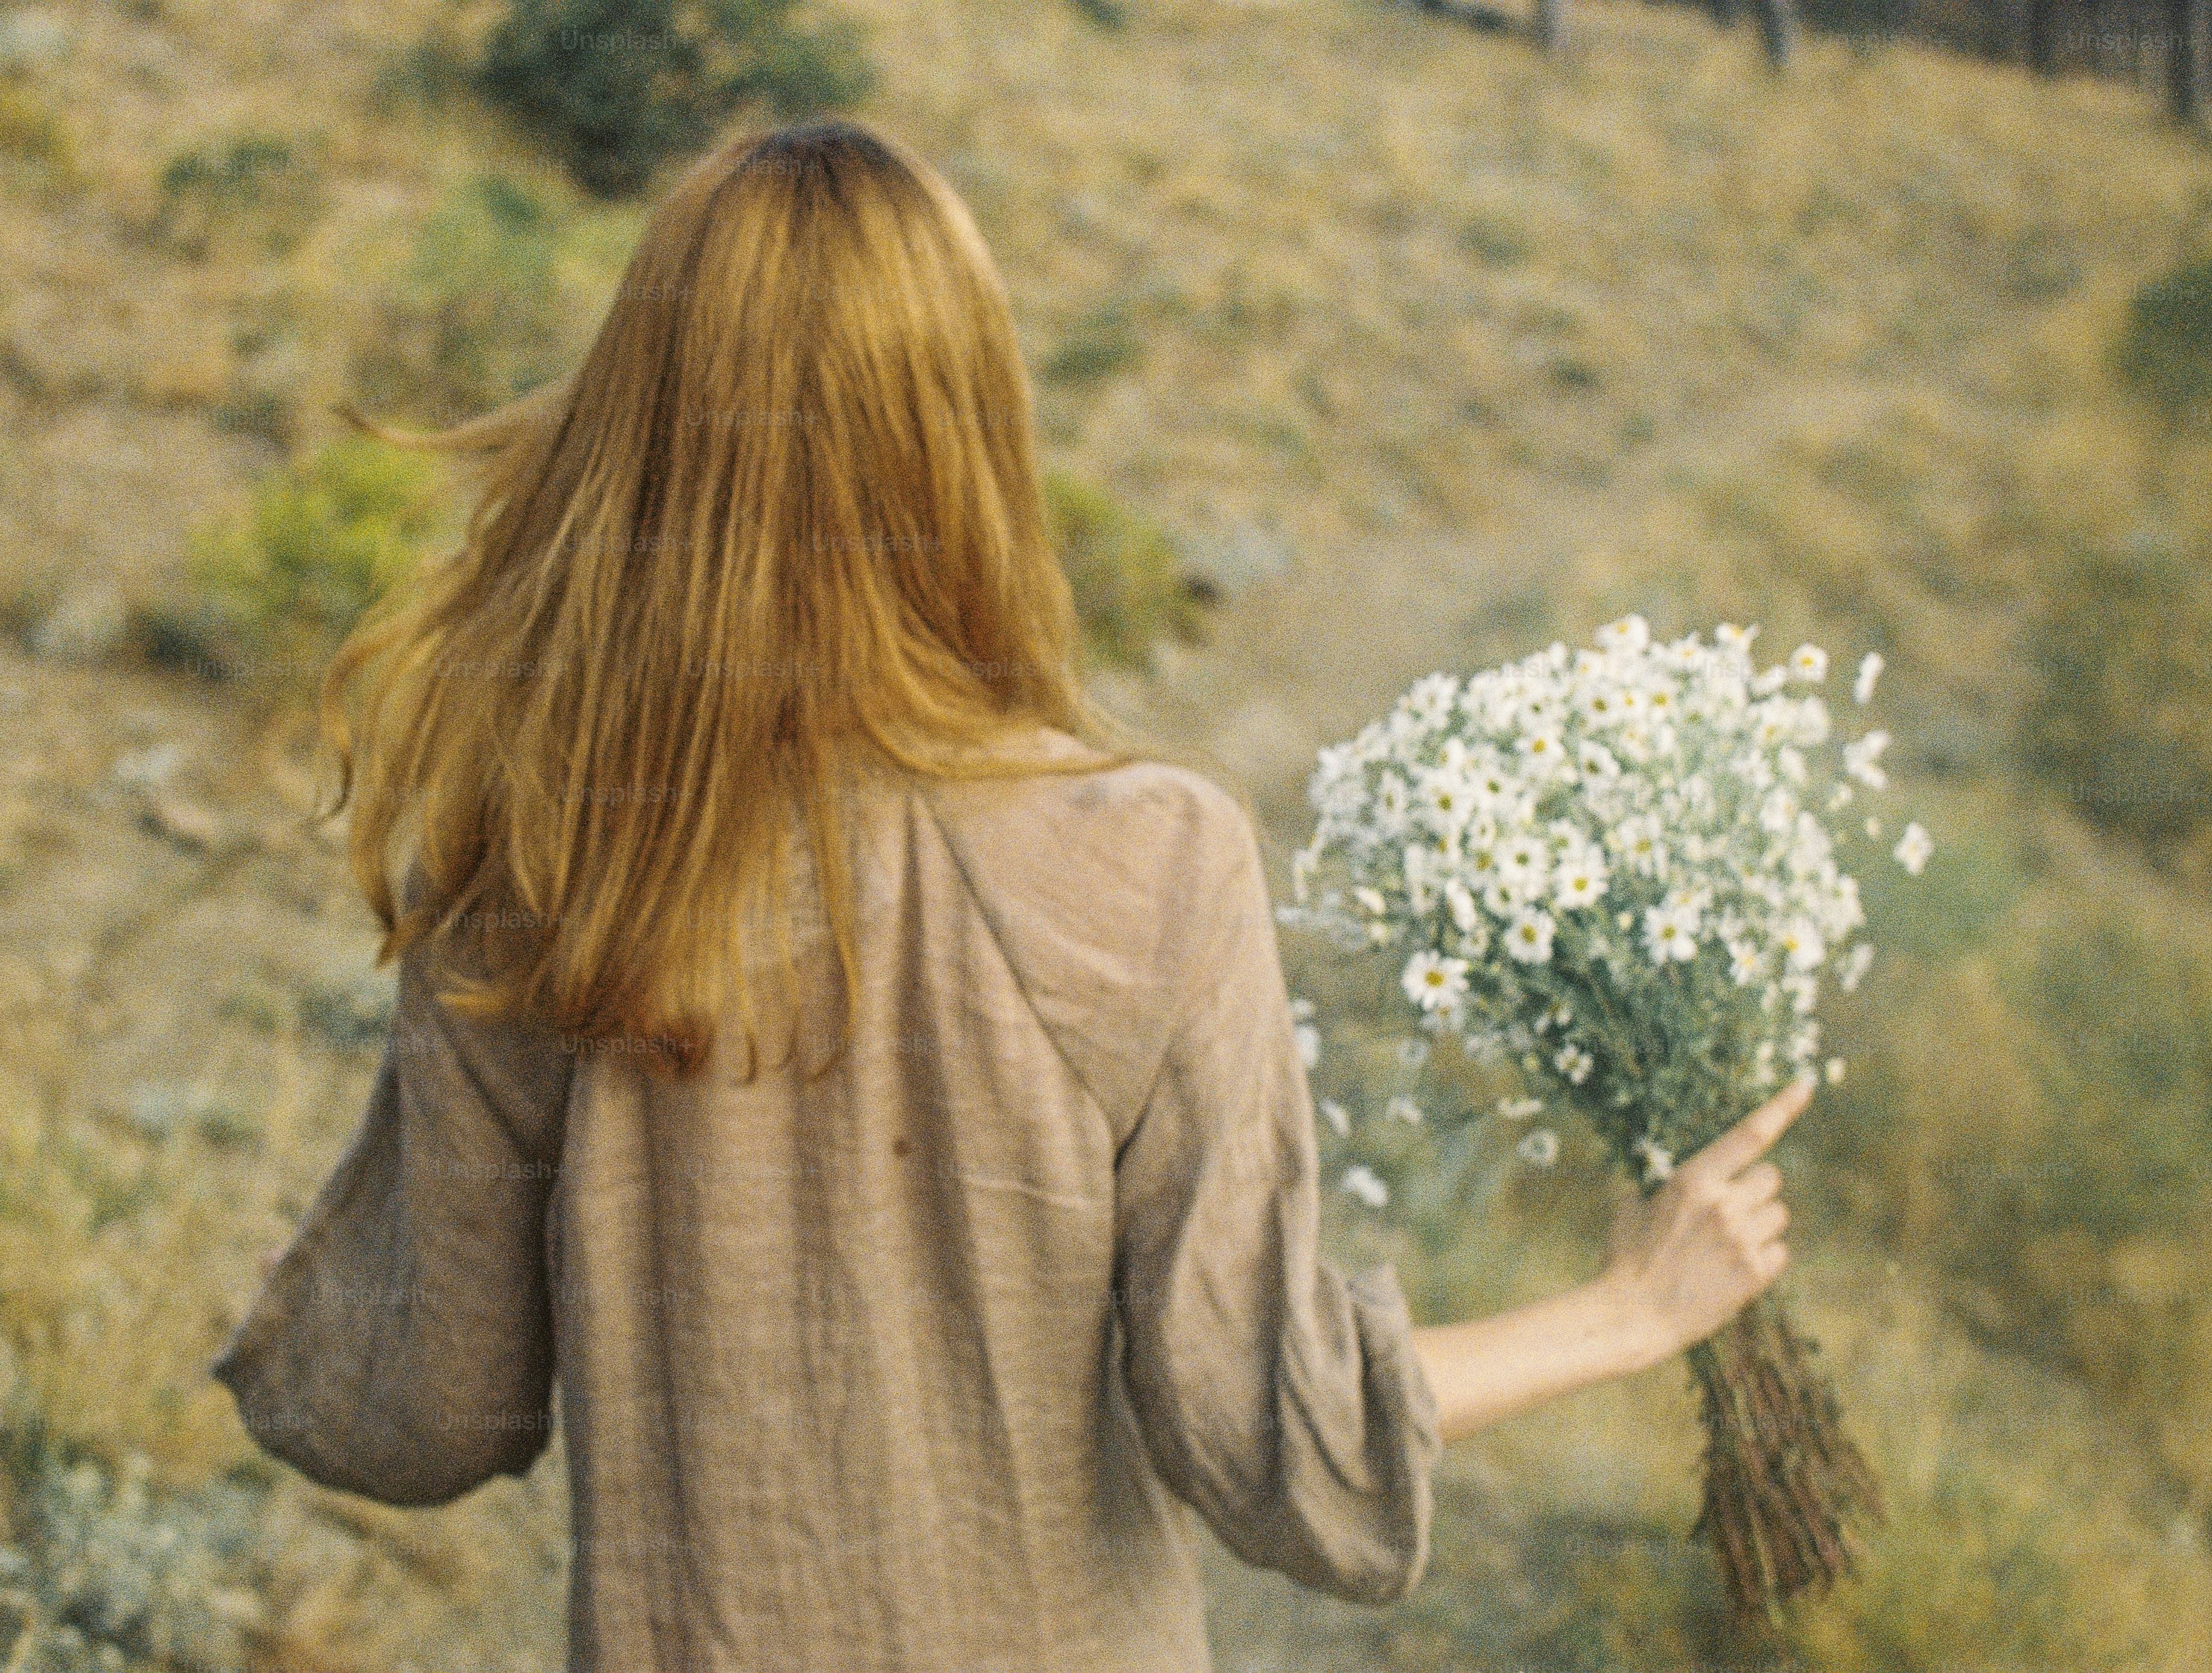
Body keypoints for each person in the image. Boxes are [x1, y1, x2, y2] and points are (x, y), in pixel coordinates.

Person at [209, 116, 1806, 1673]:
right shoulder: (1152, 857)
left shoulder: (536, 858)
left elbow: (433, 1405)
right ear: (966, 426)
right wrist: (1634, 1305)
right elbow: (1277, 1438)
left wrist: (265, 1327)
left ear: (643, 430)